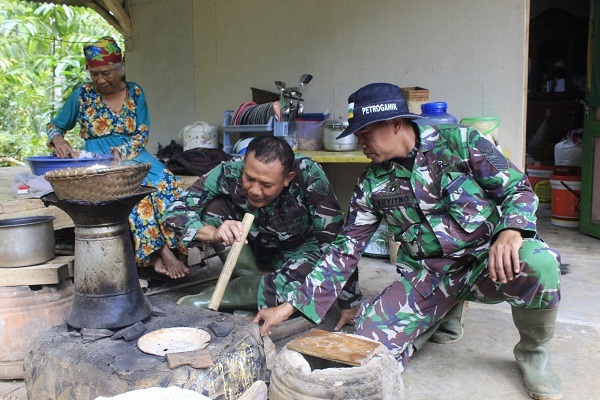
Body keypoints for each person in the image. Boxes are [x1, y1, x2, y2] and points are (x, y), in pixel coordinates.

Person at [253, 83, 563, 400]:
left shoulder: (460, 143)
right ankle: (444, 310)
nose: (360, 144)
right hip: (430, 275)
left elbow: (518, 189)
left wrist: (511, 229)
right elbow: (343, 252)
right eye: (357, 136)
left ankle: (533, 353)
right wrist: (288, 306)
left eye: (365, 134)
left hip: (486, 263)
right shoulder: (371, 184)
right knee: (366, 344)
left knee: (539, 262)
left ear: (396, 124)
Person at [163, 135, 359, 326]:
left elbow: (336, 242)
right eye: (249, 178)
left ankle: (225, 296)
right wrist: (213, 233)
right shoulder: (230, 170)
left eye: (267, 185)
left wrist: (348, 301)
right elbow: (174, 213)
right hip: (250, 247)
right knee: (214, 206)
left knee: (313, 281)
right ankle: (251, 285)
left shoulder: (308, 175)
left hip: (298, 250)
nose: (255, 190)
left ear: (287, 178)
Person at [47, 36, 188, 279]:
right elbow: (55, 126)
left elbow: (142, 131)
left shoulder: (135, 92)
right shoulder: (82, 95)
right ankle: (159, 255)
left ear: (120, 68)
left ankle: (175, 249)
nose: (100, 80)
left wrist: (121, 153)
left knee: (168, 183)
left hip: (134, 154)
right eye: (94, 74)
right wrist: (59, 140)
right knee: (135, 195)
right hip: (98, 159)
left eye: (106, 73)